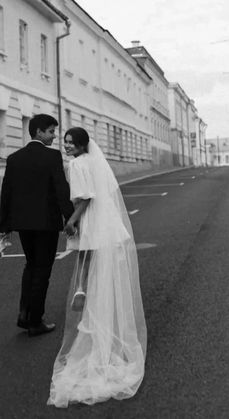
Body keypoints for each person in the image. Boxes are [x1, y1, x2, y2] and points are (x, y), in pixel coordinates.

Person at [48, 127, 147, 407]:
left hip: (89, 222)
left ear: (81, 145)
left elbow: (86, 197)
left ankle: (90, 320)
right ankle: (104, 325)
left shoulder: (78, 164)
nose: (66, 146)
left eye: (70, 143)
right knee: (100, 274)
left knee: (85, 273)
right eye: (64, 142)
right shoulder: (93, 161)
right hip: (104, 224)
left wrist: (72, 221)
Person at [0, 114, 74, 337]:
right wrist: (70, 217)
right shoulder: (52, 157)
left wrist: (4, 226)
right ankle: (34, 321)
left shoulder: (14, 158)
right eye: (51, 131)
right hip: (46, 223)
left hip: (23, 223)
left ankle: (25, 315)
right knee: (42, 270)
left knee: (31, 266)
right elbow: (61, 190)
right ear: (39, 132)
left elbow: (6, 193)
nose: (54, 136)